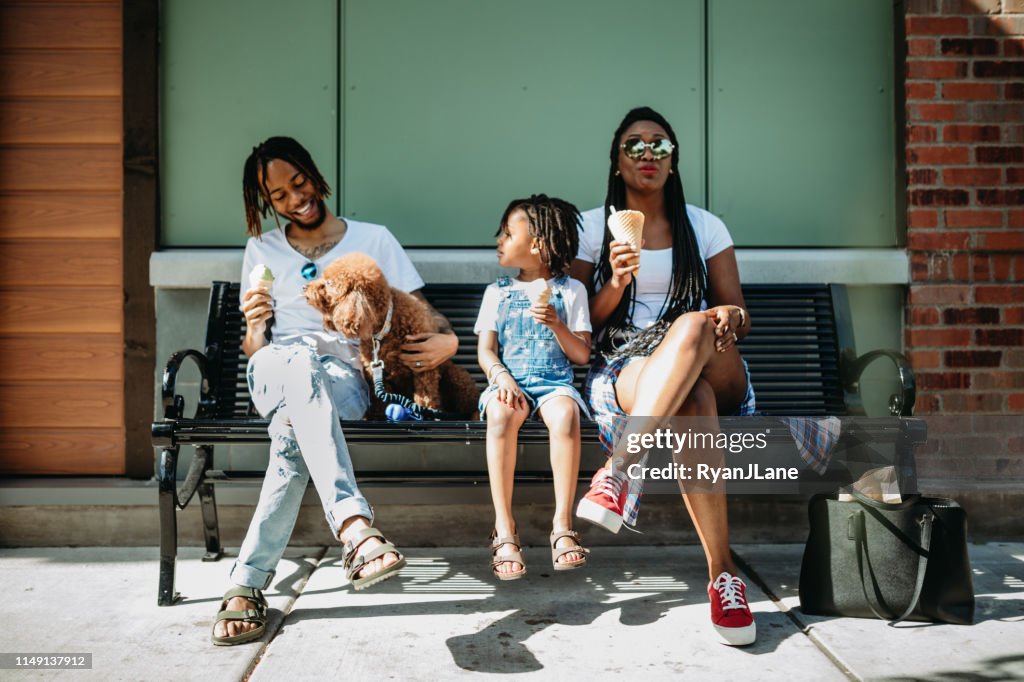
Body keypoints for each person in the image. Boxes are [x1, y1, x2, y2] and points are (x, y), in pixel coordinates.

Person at [211, 136, 459, 645]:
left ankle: (246, 585)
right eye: (278, 195)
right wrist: (255, 326)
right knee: (298, 358)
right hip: (274, 368)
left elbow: (419, 318)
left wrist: (450, 343)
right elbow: (254, 348)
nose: (293, 198)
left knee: (290, 434)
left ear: (313, 174)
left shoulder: (374, 238)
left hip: (345, 381)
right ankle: (354, 526)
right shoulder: (262, 250)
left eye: (297, 182)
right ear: (267, 203)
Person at [569, 107, 757, 646]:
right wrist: (617, 280)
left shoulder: (704, 225)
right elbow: (581, 324)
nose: (648, 154)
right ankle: (724, 577)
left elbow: (739, 313)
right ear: (616, 160)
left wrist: (730, 317)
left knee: (696, 325)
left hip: (713, 358)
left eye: (660, 146)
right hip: (629, 364)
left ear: (673, 162)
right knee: (690, 399)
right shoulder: (589, 227)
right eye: (635, 145)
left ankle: (621, 467)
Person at [475, 195, 593, 579]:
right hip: (509, 382)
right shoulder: (497, 293)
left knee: (565, 414)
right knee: (500, 413)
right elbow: (486, 351)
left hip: (554, 382)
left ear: (538, 242)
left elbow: (581, 355)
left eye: (508, 233)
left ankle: (562, 526)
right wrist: (502, 378)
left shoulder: (571, 291)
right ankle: (505, 529)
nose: (498, 239)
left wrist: (558, 325)